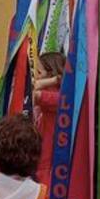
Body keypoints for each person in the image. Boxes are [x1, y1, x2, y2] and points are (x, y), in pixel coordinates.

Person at [32, 51, 66, 184]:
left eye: (39, 73)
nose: (35, 76)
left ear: (51, 73)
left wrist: (53, 80)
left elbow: (32, 90)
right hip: (40, 162)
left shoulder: (57, 97)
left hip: (47, 167)